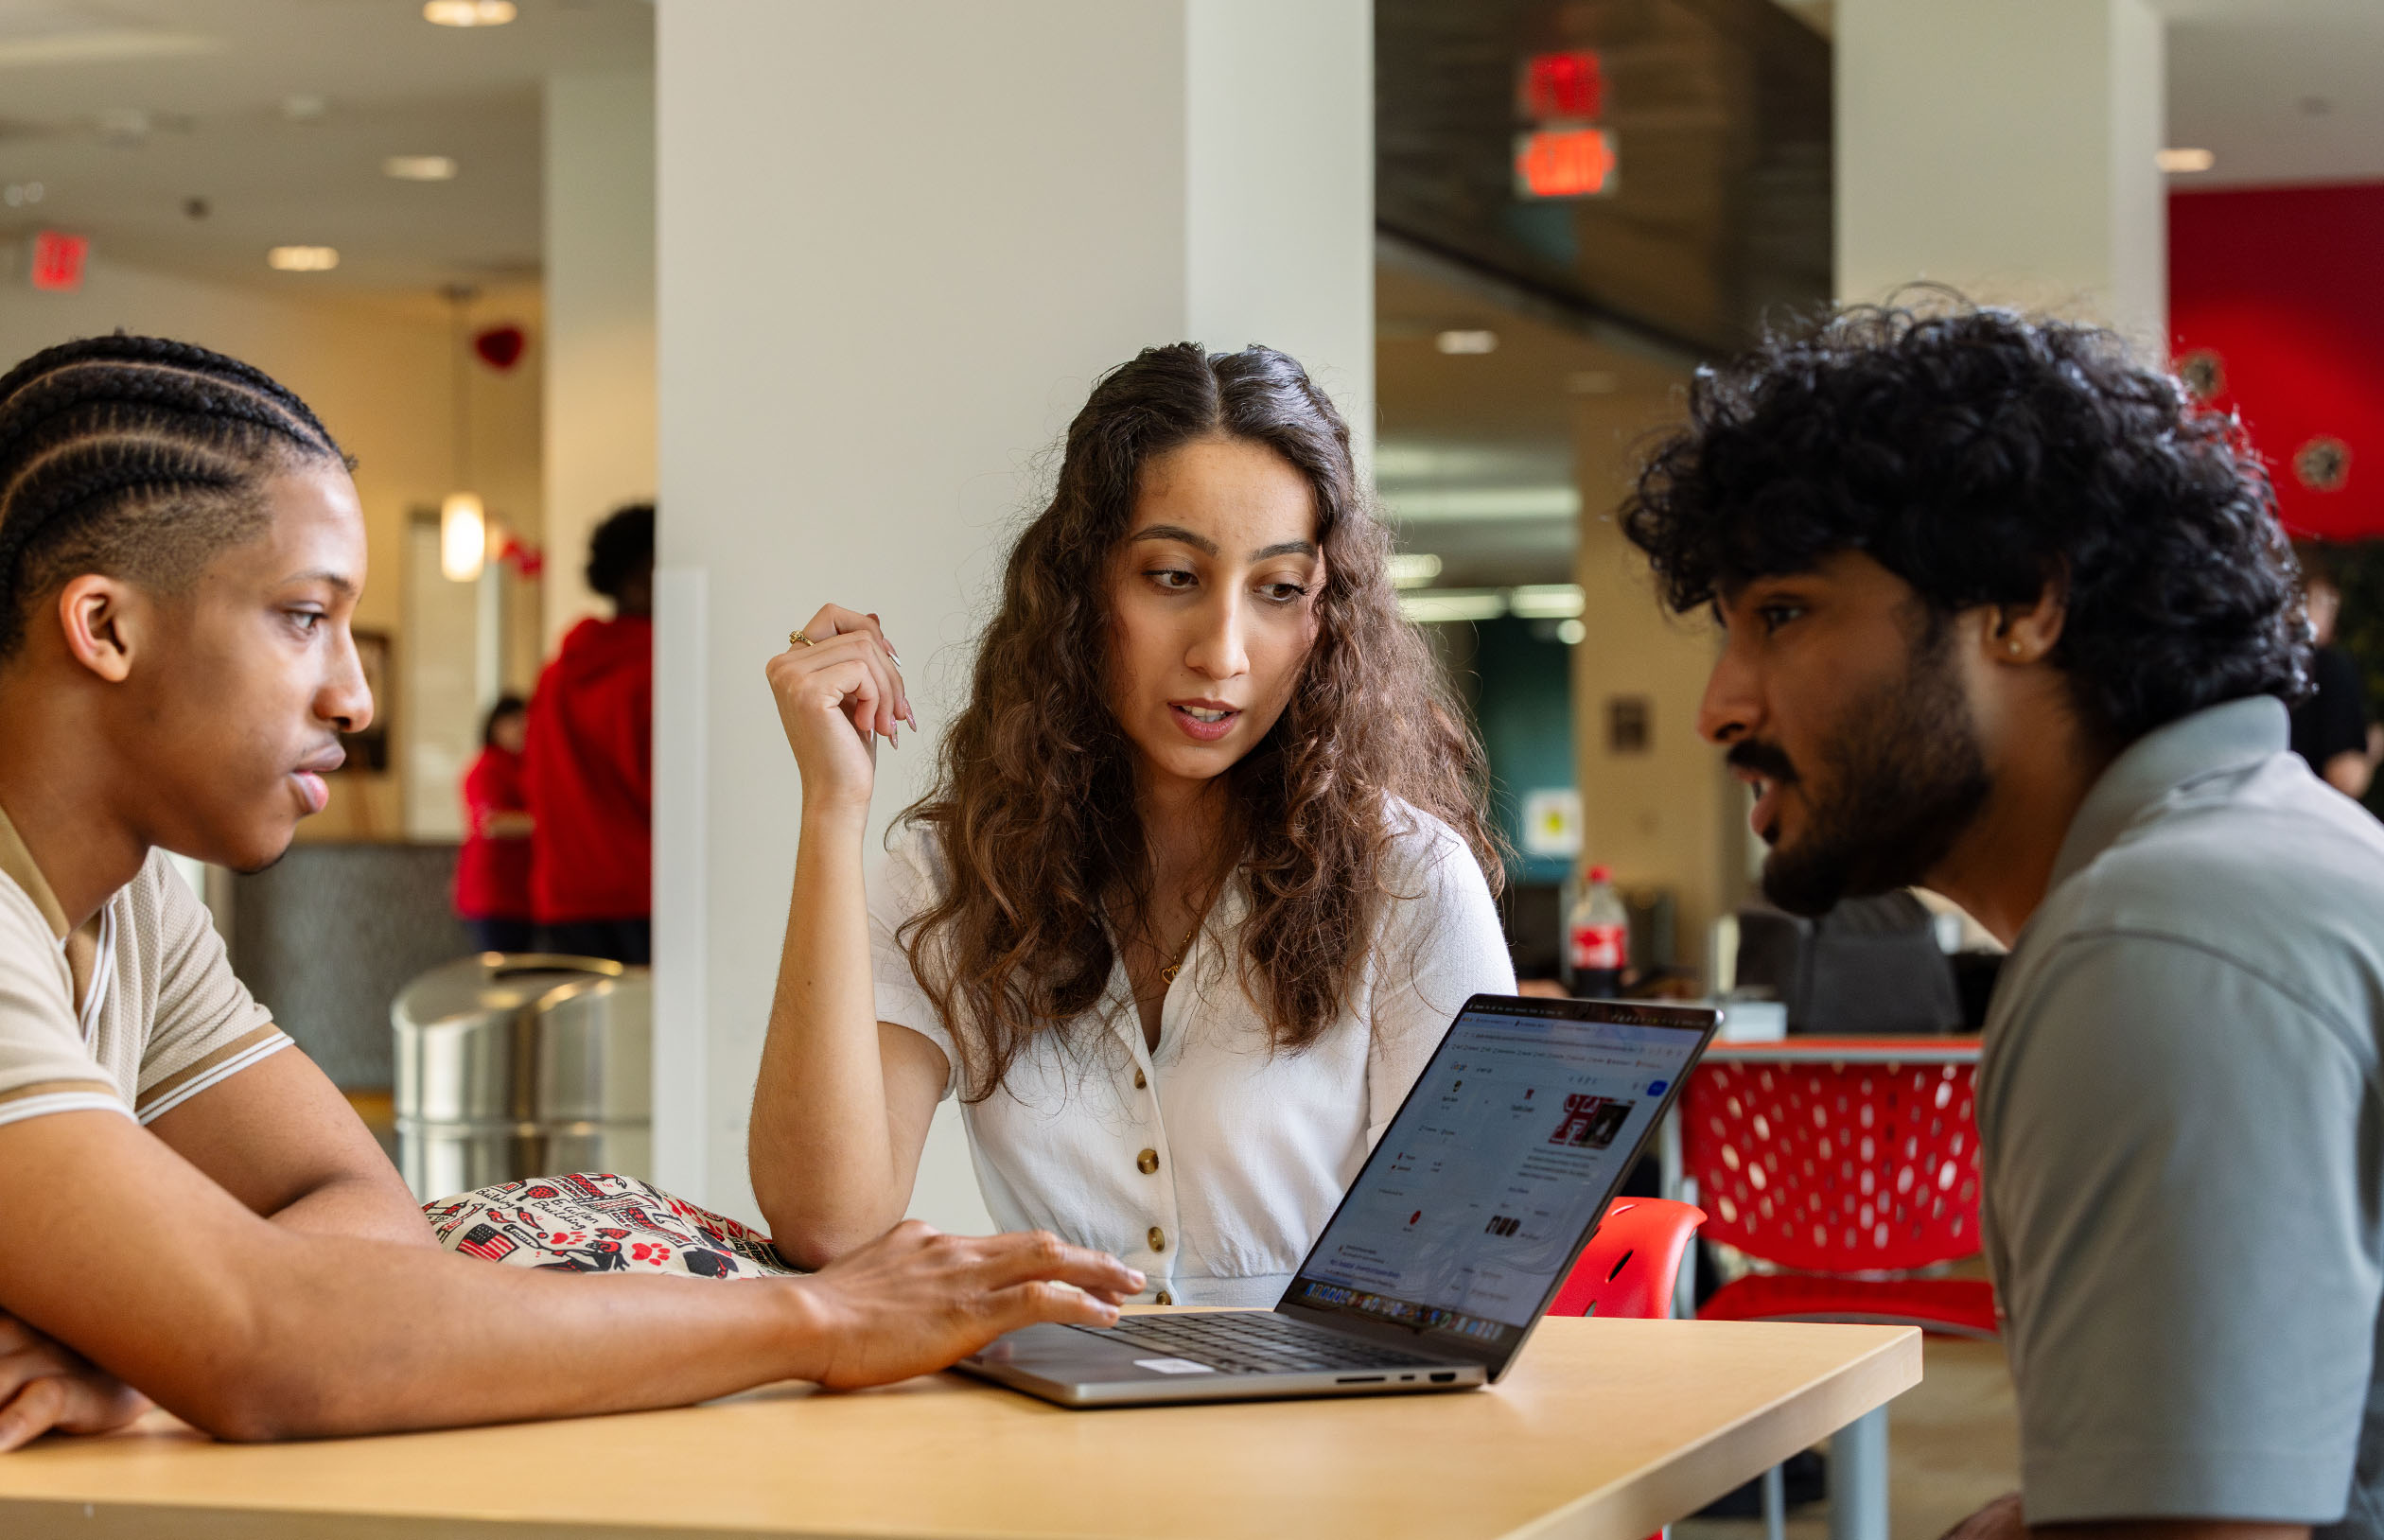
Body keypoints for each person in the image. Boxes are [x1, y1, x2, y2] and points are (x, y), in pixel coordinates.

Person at [0, 335, 1138, 1450]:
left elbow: (357, 1217)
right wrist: (827, 1318)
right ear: (105, 626)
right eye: (306, 617)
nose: (355, 696)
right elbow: (265, 1345)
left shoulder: (137, 905)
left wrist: (155, 1330)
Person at [1621, 300, 2384, 1540]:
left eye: (1784, 614)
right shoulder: (2263, 861)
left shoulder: (2151, 947)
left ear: (2024, 605)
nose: (1720, 706)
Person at [752, 343, 1516, 1302]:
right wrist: (833, 808)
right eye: (1172, 576)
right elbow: (828, 1226)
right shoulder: (958, 872)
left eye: (1280, 589)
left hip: (1335, 1394)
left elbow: (1467, 1266)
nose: (1223, 653)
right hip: (1053, 1393)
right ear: (1082, 588)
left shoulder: (1407, 877)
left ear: (1325, 616)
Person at [526, 503, 654, 965]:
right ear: (638, 578)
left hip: (564, 899)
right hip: (643, 898)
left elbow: (534, 780)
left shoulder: (556, 674)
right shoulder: (654, 670)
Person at [2288, 548, 2375, 798]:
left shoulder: (2255, 665)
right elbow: (2345, 777)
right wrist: (2372, 749)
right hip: (2312, 812)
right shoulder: (2330, 665)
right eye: (2328, 601)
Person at [453, 693, 534, 953]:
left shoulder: (526, 768)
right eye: (516, 721)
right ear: (496, 726)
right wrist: (551, 824)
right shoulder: (487, 768)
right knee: (500, 969)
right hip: (493, 896)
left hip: (524, 895)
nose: (525, 728)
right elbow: (492, 823)